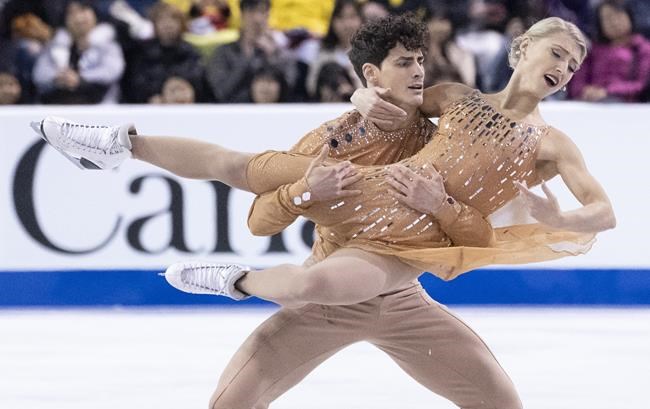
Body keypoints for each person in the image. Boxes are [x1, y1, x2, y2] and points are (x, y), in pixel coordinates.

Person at [33, 15, 615, 408]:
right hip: (365, 197)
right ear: (521, 50)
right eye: (556, 52)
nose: (564, 67)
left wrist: (561, 219)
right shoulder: (455, 98)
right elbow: (384, 95)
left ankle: (235, 280)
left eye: (574, 63)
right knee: (242, 167)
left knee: (502, 403)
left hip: (403, 278)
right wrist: (361, 101)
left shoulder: (553, 145)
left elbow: (602, 213)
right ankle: (118, 144)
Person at [568, 0, 650, 103]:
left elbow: (642, 85)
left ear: (630, 17)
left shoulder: (642, 48)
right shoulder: (591, 50)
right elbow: (577, 82)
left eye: (618, 16)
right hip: (589, 103)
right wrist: (585, 91)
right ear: (599, 24)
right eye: (607, 18)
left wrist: (607, 91)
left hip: (628, 106)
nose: (614, 22)